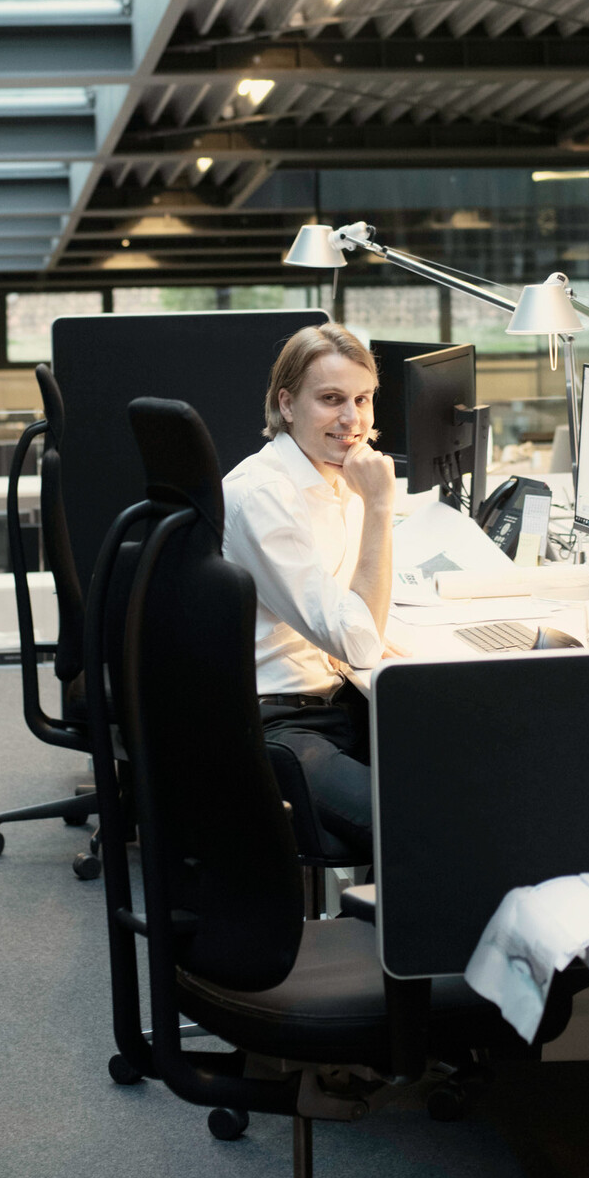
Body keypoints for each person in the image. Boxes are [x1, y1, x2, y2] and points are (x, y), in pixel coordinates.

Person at [222, 323, 393, 860]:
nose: (353, 420)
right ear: (287, 404)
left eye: (362, 399)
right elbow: (359, 641)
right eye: (331, 399)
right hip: (276, 724)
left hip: (332, 701)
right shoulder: (264, 495)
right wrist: (380, 507)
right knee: (420, 822)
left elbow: (352, 619)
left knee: (475, 776)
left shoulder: (333, 478)